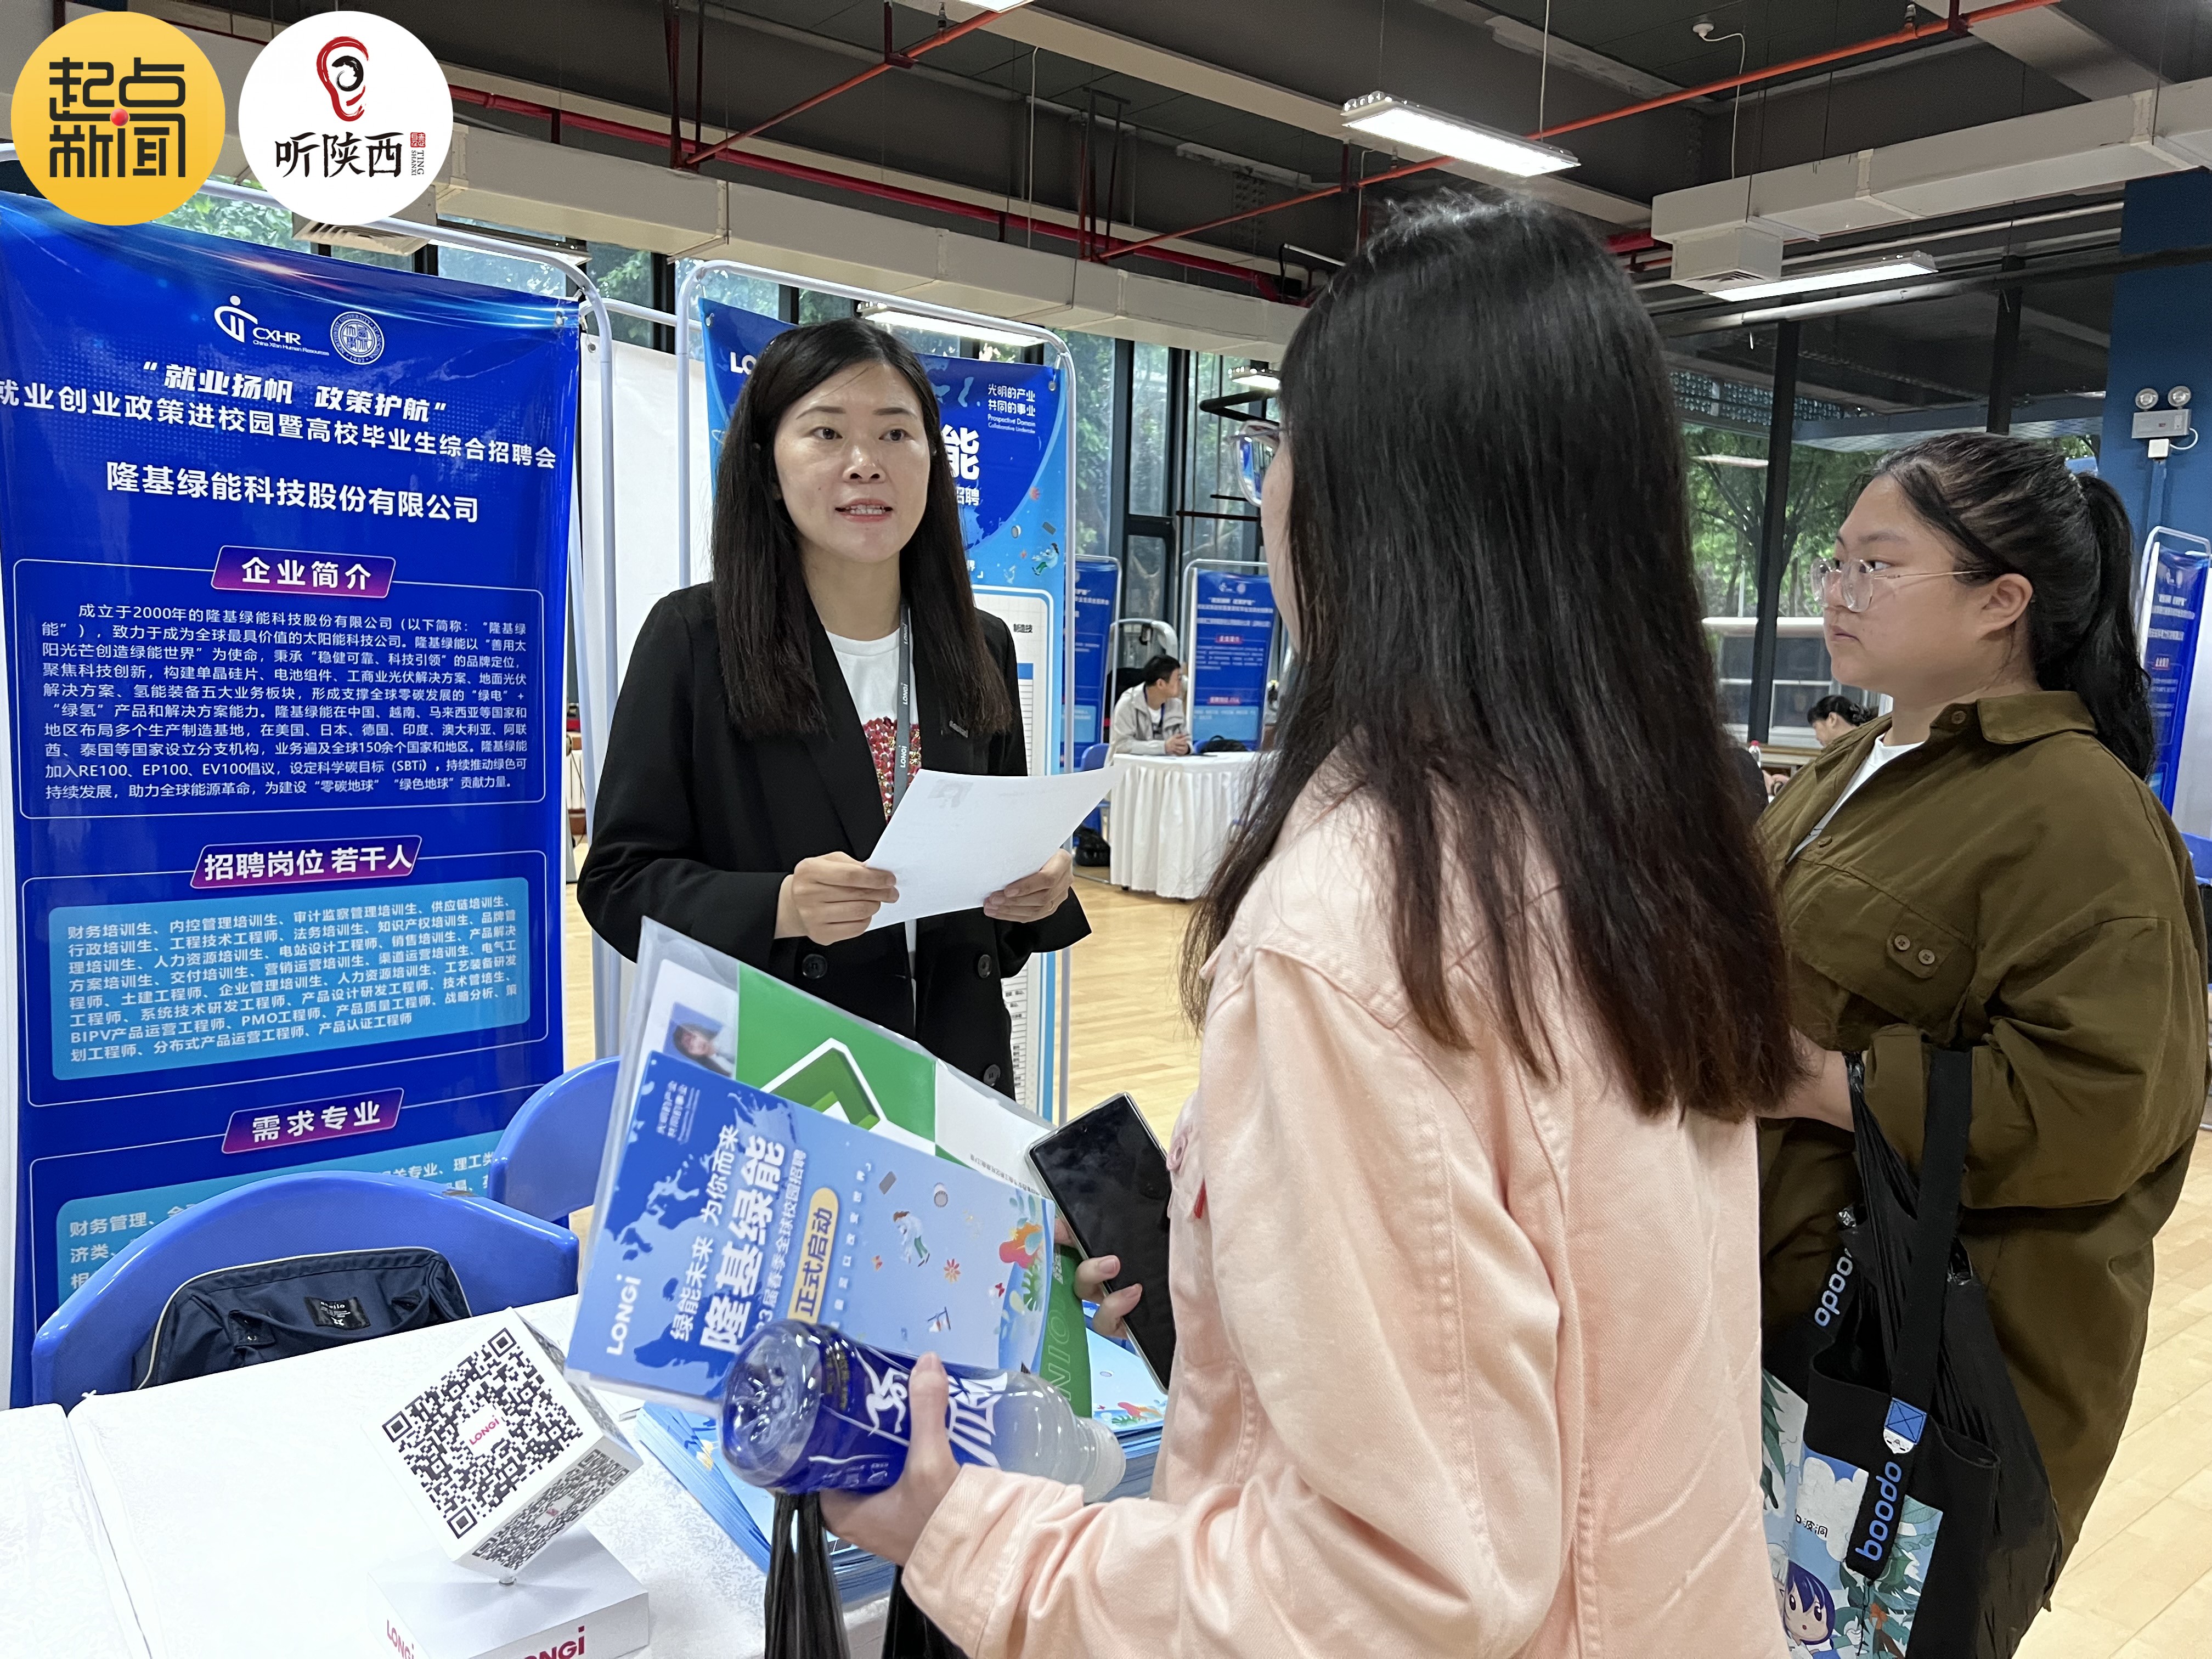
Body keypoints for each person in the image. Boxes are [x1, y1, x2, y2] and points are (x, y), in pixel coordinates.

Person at [822, 191, 1800, 1657]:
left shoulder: (1355, 922)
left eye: (1282, 443)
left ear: (1367, 504)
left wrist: (972, 1538)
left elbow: (1398, 1589)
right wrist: (1235, 1284)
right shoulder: (1638, 832)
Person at [1757, 431, 2207, 1574]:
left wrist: (1815, 1081)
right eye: (1836, 560)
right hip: (1773, 1320)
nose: (1838, 589)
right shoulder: (1850, 761)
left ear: (2002, 601)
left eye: (1877, 564)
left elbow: (2106, 1104)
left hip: (1921, 1377)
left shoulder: (2080, 811)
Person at [578, 315, 1088, 1097]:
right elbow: (618, 883)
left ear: (933, 461)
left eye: (895, 434)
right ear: (767, 465)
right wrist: (782, 905)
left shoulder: (977, 645)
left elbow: (993, 873)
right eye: (826, 433)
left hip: (956, 1078)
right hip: (780, 1084)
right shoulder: (695, 639)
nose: (866, 464)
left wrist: (1035, 893)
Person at [1107, 653, 1189, 756]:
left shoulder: (1176, 705)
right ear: (1161, 684)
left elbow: (1187, 740)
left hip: (1164, 764)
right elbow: (1122, 745)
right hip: (1130, 765)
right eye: (1179, 679)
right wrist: (1163, 747)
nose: (1182, 683)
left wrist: (1186, 748)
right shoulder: (1128, 704)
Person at [1804, 692, 1870, 748]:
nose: (1817, 737)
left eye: (1815, 726)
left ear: (1832, 719)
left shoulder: (1862, 745)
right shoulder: (1862, 740)